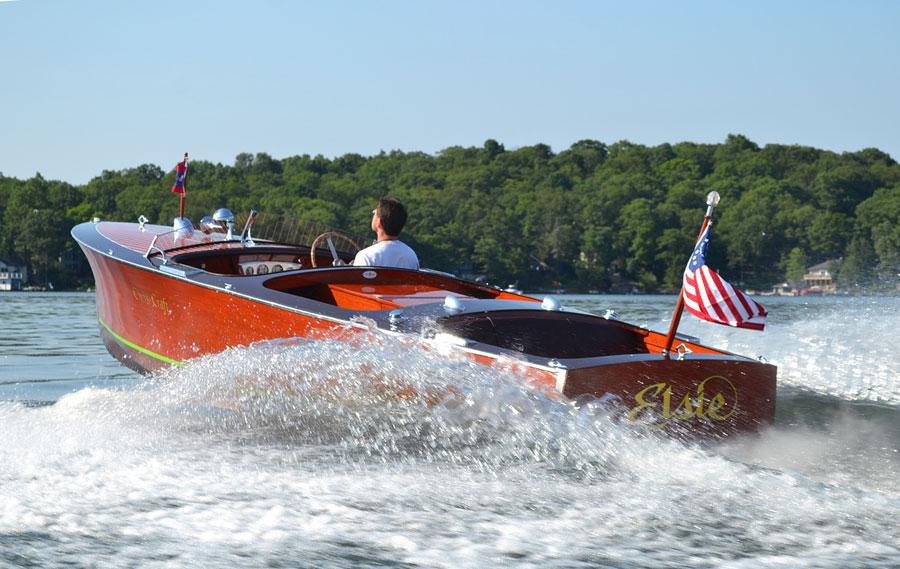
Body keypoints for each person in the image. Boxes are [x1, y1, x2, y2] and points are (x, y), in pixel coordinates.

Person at [353, 197, 419, 269]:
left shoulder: (366, 256)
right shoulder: (411, 255)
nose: (373, 214)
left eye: (375, 213)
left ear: (379, 222)